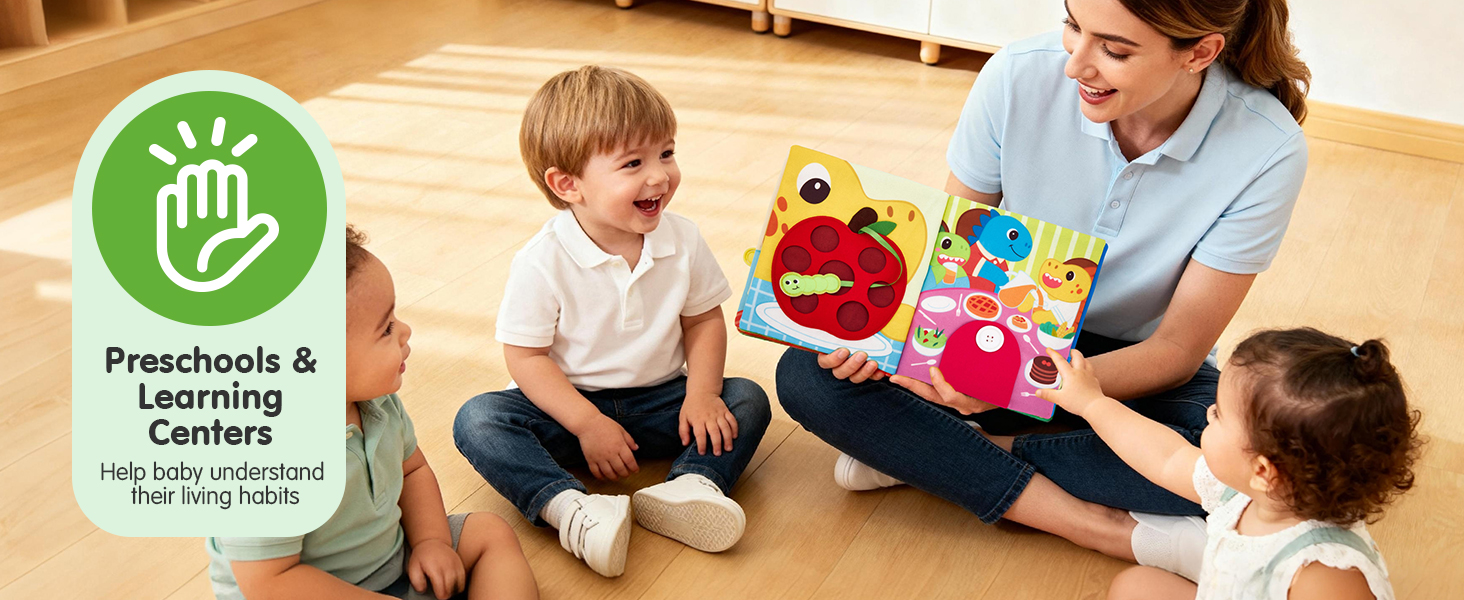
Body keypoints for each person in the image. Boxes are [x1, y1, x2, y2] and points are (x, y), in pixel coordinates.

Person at [777, 0, 1312, 578]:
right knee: (810, 375)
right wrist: (902, 349)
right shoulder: (1015, 76)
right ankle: (1103, 528)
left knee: (1263, 466)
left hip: (1128, 366)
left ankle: (933, 452)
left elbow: (1176, 352)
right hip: (991, 330)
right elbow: (949, 262)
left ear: (1200, 53)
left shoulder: (1266, 148)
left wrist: (1015, 388)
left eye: (1114, 49)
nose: (1073, 64)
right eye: (1073, 26)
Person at [453, 65, 771, 578]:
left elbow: (704, 321)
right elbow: (525, 357)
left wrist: (702, 394)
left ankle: (691, 484)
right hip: (568, 408)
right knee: (479, 420)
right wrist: (587, 423)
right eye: (633, 163)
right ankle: (571, 508)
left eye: (666, 153)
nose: (659, 176)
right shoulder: (542, 260)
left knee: (746, 399)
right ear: (568, 184)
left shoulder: (683, 239)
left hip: (664, 400)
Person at [204, 226, 538, 600]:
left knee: (490, 533)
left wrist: (432, 542)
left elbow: (412, 470)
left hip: (389, 561)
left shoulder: (377, 402)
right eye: (387, 328)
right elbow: (271, 582)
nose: (406, 331)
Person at [1038, 329, 1420, 600]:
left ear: (1263, 471)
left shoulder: (1325, 572)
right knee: (1134, 587)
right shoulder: (1247, 492)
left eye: (1219, 414)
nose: (1208, 411)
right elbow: (1165, 456)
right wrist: (1091, 403)